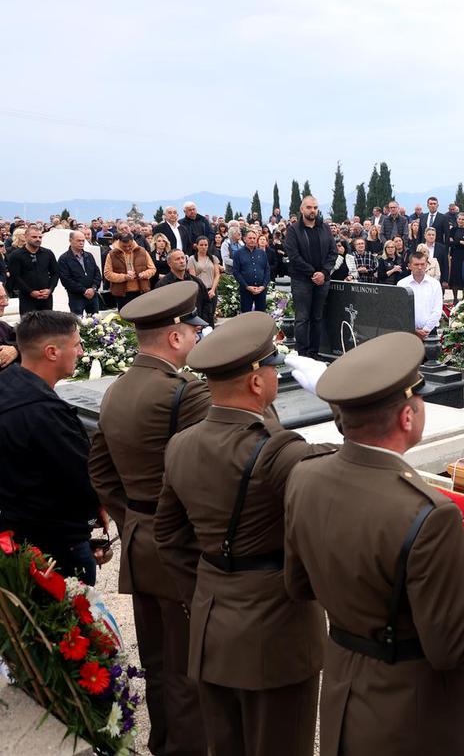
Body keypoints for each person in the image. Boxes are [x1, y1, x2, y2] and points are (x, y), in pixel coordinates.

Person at [283, 332, 464, 756]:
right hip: (411, 711)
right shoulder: (431, 514)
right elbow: (448, 647)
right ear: (407, 417)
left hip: (343, 685)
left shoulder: (305, 476)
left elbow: (299, 586)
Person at [155, 312, 329, 756]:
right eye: (271, 367)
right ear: (256, 382)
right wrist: (344, 399)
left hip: (213, 625)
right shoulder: (275, 450)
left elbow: (169, 538)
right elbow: (342, 482)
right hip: (276, 633)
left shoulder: (182, 444)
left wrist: (206, 589)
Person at [87, 282, 211, 755]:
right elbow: (203, 476)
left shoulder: (118, 387)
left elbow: (98, 468)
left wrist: (132, 516)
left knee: (159, 658)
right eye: (194, 331)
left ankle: (163, 741)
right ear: (176, 337)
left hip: (141, 540)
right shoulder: (186, 394)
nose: (198, 339)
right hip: (179, 547)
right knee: (187, 664)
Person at [0, 311, 106, 584]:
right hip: (55, 547)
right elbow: (80, 478)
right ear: (51, 352)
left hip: (19, 538)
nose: (81, 352)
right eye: (76, 344)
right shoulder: (44, 412)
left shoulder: (9, 384)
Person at [284, 195, 337, 359]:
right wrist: (312, 273)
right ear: (302, 209)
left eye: (315, 207)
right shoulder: (293, 230)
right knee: (302, 318)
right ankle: (302, 354)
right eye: (309, 207)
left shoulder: (325, 228)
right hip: (302, 281)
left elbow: (333, 252)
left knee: (317, 317)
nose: (312, 210)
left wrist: (324, 273)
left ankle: (314, 353)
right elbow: (294, 256)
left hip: (322, 280)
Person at [156, 249, 216, 326]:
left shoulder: (196, 282)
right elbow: (162, 312)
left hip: (200, 326)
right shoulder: (163, 285)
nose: (181, 261)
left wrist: (203, 323)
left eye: (183, 258)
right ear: (169, 263)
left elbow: (207, 303)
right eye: (177, 259)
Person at [8, 223, 58, 313]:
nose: (38, 239)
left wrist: (50, 289)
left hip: (46, 298)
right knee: (28, 325)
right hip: (27, 298)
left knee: (47, 325)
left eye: (40, 237)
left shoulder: (48, 253)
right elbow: (15, 277)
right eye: (34, 237)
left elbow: (55, 273)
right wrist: (30, 292)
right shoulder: (16, 255)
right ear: (26, 237)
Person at [398, 253, 443, 352]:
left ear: (426, 265)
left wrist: (426, 330)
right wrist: (414, 330)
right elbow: (401, 311)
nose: (420, 267)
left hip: (430, 332)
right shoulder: (402, 284)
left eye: (422, 264)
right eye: (416, 264)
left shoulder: (434, 284)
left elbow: (437, 310)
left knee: (430, 364)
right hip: (409, 332)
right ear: (409, 266)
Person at [103, 226, 157, 307]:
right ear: (119, 242)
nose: (127, 248)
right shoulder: (111, 254)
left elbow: (152, 269)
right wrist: (124, 277)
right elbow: (107, 274)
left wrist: (144, 274)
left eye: (130, 246)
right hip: (121, 293)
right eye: (124, 246)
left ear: (132, 241)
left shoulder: (142, 251)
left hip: (141, 290)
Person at [57, 229, 102, 316]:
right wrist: (84, 290)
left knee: (95, 322)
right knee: (77, 322)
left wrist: (93, 288)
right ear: (70, 241)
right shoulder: (64, 259)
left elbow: (97, 273)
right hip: (76, 297)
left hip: (92, 295)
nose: (81, 243)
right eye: (78, 240)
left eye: (83, 241)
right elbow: (66, 279)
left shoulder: (89, 255)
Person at [232, 229, 271, 313]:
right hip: (246, 290)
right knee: (246, 316)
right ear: (245, 239)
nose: (252, 240)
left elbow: (267, 270)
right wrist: (246, 286)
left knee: (261, 315)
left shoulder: (262, 253)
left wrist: (263, 286)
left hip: (261, 290)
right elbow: (236, 272)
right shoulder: (238, 254)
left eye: (254, 238)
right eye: (250, 238)